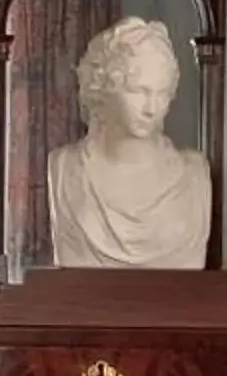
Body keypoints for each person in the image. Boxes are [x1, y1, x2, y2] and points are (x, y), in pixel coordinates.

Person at [48, 15, 212, 270]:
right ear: (104, 87)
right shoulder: (66, 169)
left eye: (162, 94)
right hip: (84, 302)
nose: (151, 108)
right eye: (138, 91)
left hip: (179, 303)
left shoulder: (193, 174)